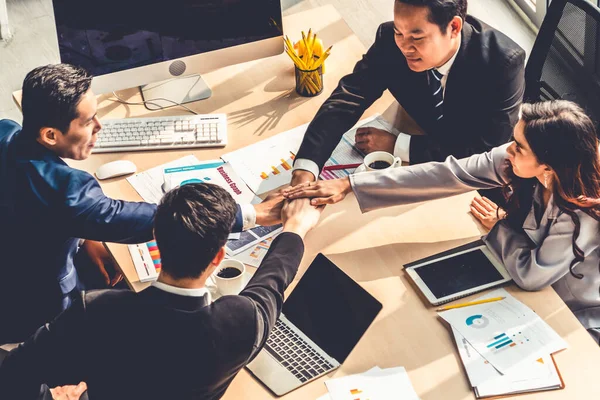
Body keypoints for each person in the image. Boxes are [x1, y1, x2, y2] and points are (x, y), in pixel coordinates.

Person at [0, 64, 282, 344]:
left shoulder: (7, 131)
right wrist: (252, 213)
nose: (100, 126)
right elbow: (166, 220)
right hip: (33, 309)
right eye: (88, 122)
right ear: (50, 135)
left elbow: (38, 205)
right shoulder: (69, 194)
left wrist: (84, 234)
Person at [284, 100, 600, 342]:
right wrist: (350, 184)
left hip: (572, 312)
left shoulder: (579, 217)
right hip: (525, 284)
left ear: (547, 165)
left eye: (518, 147)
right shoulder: (520, 162)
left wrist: (499, 227)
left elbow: (532, 275)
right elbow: (447, 174)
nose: (509, 150)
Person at [0, 183, 323, 400]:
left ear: (156, 238)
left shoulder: (95, 311)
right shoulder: (239, 322)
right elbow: (272, 282)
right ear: (218, 257)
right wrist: (295, 228)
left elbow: (13, 375)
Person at [291, 0, 525, 186]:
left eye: (417, 37)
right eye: (398, 32)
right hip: (421, 141)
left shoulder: (502, 64)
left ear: (453, 27)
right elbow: (348, 98)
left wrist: (399, 145)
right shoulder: (390, 41)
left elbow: (484, 150)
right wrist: (306, 168)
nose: (404, 46)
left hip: (471, 180)